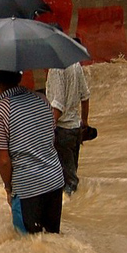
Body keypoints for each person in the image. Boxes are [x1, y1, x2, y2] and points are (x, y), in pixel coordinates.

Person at [0, 69, 65, 234]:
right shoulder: (42, 100)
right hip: (55, 181)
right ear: (20, 77)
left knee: (28, 244)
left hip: (27, 188)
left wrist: (8, 187)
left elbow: (4, 161)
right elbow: (50, 139)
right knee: (51, 241)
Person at [46, 60, 90, 194]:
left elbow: (58, 106)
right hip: (75, 129)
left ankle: (69, 211)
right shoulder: (75, 64)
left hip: (62, 131)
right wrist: (84, 122)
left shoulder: (56, 69)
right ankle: (76, 207)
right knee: (71, 175)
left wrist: (46, 132)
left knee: (66, 182)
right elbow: (85, 96)